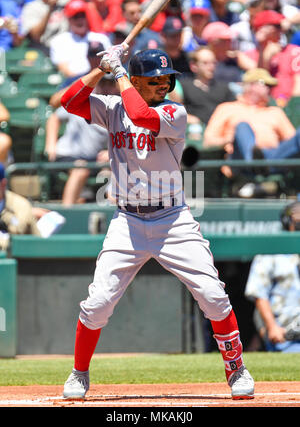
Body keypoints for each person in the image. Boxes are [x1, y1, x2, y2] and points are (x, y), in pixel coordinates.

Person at [60, 46, 255, 400]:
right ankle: (79, 373)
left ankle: (236, 368)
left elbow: (142, 116)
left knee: (213, 295)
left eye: (167, 78)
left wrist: (117, 73)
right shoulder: (112, 108)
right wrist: (100, 69)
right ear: (137, 80)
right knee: (98, 303)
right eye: (155, 80)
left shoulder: (173, 111)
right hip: (128, 221)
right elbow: (68, 101)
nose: (164, 85)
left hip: (172, 220)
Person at [203, 68, 300, 179]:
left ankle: (260, 165)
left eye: (271, 86)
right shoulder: (227, 108)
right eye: (266, 84)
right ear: (251, 86)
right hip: (239, 160)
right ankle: (254, 163)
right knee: (242, 126)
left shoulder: (275, 111)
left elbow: (292, 140)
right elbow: (208, 141)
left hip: (273, 157)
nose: (270, 89)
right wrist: (229, 139)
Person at [245, 200, 300, 353]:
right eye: (297, 221)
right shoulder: (272, 250)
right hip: (286, 336)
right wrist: (272, 327)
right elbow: (258, 293)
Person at [0, 163, 65, 250]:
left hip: (26, 257)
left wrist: (6, 216)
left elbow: (18, 232)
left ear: (3, 184)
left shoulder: (19, 204)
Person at [245, 9, 300, 106]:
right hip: (260, 107)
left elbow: (298, 85)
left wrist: (292, 106)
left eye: (280, 26)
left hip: (290, 106)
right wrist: (265, 55)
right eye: (275, 26)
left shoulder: (294, 51)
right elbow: (258, 79)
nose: (280, 30)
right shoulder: (250, 55)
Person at [49, 0, 111, 79]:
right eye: (76, 16)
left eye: (82, 15)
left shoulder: (101, 38)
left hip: (101, 82)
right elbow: (65, 70)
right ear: (69, 19)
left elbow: (109, 66)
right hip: (74, 84)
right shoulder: (59, 41)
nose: (80, 20)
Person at [175, 46, 235, 127]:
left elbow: (234, 110)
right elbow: (174, 111)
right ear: (194, 66)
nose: (211, 67)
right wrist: (188, 118)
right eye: (205, 63)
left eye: (213, 63)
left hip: (218, 129)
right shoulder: (183, 85)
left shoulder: (224, 88)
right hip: (194, 131)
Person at [201, 21, 256, 87]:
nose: (229, 43)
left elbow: (257, 71)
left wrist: (238, 55)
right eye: (225, 40)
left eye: (230, 39)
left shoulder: (235, 59)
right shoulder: (205, 63)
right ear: (213, 42)